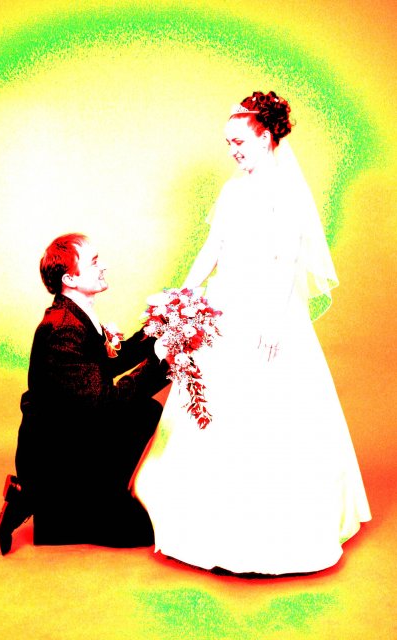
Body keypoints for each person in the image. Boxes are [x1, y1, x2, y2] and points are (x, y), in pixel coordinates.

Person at [133, 90, 371, 575]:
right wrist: (183, 296)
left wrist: (274, 319)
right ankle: (204, 520)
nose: (232, 151)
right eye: (228, 143)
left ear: (266, 137)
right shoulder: (232, 191)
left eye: (239, 141)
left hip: (268, 311)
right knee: (212, 407)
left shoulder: (286, 192)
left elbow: (285, 261)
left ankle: (270, 530)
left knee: (270, 411)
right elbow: (212, 248)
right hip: (224, 308)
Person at [0, 232, 169, 554]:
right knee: (140, 532)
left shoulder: (75, 313)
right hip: (58, 456)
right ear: (70, 279)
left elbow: (106, 362)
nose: (103, 266)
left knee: (145, 410)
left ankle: (99, 498)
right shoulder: (63, 328)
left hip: (74, 432)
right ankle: (49, 503)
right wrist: (161, 363)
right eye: (94, 262)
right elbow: (104, 402)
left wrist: (157, 333)